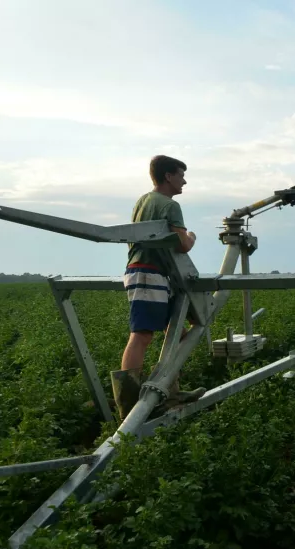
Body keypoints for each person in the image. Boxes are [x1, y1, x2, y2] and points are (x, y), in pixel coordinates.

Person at [110, 155, 206, 421]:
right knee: (141, 336)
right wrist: (193, 237)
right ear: (168, 176)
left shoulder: (144, 201)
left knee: (179, 334)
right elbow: (182, 245)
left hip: (149, 274)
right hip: (149, 274)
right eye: (181, 175)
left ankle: (169, 392)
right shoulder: (170, 205)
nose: (184, 181)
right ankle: (129, 408)